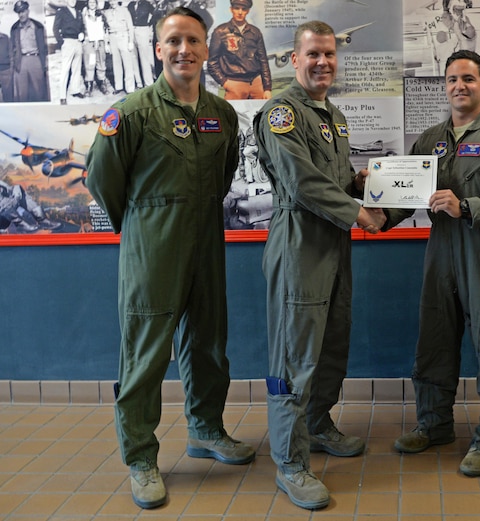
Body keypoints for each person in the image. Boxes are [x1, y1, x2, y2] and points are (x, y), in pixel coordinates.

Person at [85, 6, 255, 510]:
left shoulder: (222, 114)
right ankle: (140, 456)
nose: (185, 50)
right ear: (159, 49)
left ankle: (206, 430)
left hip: (205, 241)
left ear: (208, 49)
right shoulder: (132, 112)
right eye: (174, 41)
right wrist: (143, 225)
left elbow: (224, 178)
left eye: (194, 41)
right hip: (152, 247)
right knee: (146, 354)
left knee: (207, 343)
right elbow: (102, 180)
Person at [252, 20, 386, 510]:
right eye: (313, 54)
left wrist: (360, 182)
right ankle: (289, 462)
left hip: (334, 243)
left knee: (331, 341)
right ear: (294, 59)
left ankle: (318, 423)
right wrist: (357, 210)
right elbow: (303, 182)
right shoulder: (281, 113)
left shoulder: (334, 115)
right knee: (295, 354)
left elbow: (330, 179)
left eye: (329, 54)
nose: (323, 62)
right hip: (299, 244)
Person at [388, 50, 480, 477]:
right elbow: (405, 194)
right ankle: (434, 424)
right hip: (440, 254)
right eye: (452, 79)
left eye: (468, 79)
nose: (459, 86)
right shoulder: (430, 138)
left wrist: (466, 205)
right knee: (433, 338)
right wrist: (375, 211)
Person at [208, 0, 272, 99]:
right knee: (233, 114)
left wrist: (267, 88)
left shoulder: (255, 32)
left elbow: (263, 60)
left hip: (256, 83)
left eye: (244, 9)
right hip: (234, 84)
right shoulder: (220, 31)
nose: (240, 12)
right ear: (231, 9)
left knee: (261, 113)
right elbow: (212, 62)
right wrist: (225, 83)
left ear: (248, 11)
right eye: (237, 8)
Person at [9, 0, 48, 102]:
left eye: (23, 11)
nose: (21, 14)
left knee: (38, 91)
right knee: (22, 93)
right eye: (19, 12)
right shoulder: (14, 28)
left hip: (36, 59)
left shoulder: (38, 26)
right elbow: (12, 48)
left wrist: (44, 63)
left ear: (28, 11)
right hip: (21, 61)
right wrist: (14, 65)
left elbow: (44, 46)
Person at [52, 0, 87, 103]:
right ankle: (62, 96)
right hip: (67, 42)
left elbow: (82, 27)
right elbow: (55, 28)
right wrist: (61, 42)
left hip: (78, 42)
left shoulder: (79, 12)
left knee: (77, 68)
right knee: (65, 69)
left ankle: (75, 90)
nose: (72, 1)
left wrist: (82, 34)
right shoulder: (61, 11)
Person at [103, 0, 136, 94]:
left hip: (123, 37)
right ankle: (119, 86)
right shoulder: (107, 13)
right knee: (116, 63)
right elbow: (105, 29)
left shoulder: (124, 11)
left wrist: (130, 41)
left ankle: (130, 88)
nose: (112, 2)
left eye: (114, 0)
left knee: (127, 64)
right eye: (110, 1)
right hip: (112, 38)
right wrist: (106, 43)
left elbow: (130, 27)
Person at [81, 0, 111, 96]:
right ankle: (89, 85)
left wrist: (106, 43)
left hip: (100, 42)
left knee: (101, 63)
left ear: (96, 4)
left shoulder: (101, 14)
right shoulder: (84, 15)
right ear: (88, 4)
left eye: (94, 2)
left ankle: (102, 83)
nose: (92, 4)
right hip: (90, 43)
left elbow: (105, 29)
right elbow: (81, 28)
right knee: (90, 63)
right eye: (90, 2)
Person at [128, 0, 156, 88]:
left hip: (143, 30)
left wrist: (148, 24)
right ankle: (138, 82)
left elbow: (155, 14)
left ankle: (148, 83)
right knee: (133, 57)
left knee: (144, 58)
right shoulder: (130, 5)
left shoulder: (147, 4)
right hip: (132, 30)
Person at [0, 32, 12, 102]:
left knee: (8, 96)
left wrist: (11, 69)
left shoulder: (6, 38)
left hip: (6, 70)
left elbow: (11, 54)